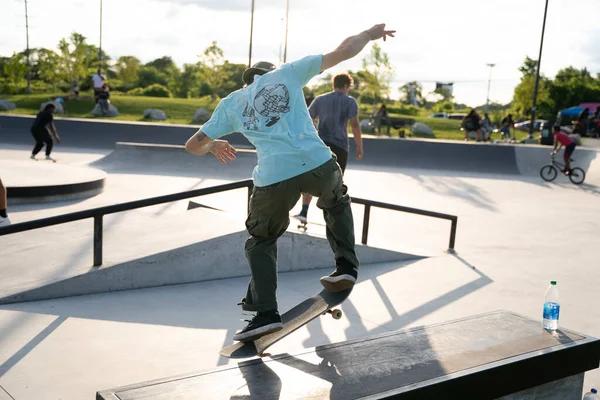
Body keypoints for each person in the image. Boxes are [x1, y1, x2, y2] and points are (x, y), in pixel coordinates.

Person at [184, 24, 395, 342]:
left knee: (262, 240)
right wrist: (368, 33)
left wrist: (213, 145)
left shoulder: (231, 103)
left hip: (273, 178)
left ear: (248, 81)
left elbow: (192, 145)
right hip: (318, 164)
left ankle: (265, 313)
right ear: (272, 72)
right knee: (336, 201)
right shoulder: (289, 73)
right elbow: (345, 50)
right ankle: (346, 267)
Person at [294, 72, 364, 224]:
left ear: (334, 85)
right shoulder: (350, 101)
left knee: (311, 176)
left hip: (321, 145)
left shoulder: (320, 99)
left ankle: (304, 211)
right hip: (340, 147)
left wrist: (307, 140)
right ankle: (333, 220)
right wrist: (359, 146)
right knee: (335, 184)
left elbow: (306, 119)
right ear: (346, 86)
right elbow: (355, 124)